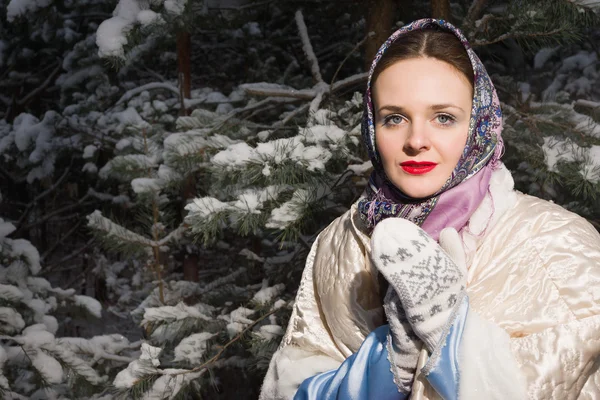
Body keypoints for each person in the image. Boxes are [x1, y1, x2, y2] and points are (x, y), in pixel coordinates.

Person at [259, 19, 600, 400]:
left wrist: (452, 339)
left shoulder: (558, 242)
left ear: (480, 125)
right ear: (372, 128)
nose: (416, 140)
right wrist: (389, 361)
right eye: (394, 118)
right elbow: (293, 387)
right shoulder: (341, 242)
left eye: (443, 117)